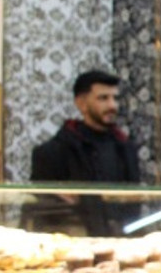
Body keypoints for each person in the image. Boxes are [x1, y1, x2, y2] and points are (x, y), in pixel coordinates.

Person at [29, 70, 141, 236]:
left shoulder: (125, 148)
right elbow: (46, 213)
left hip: (121, 241)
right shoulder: (54, 152)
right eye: (103, 98)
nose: (113, 106)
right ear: (81, 104)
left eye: (115, 98)